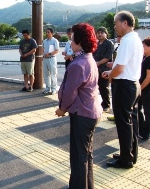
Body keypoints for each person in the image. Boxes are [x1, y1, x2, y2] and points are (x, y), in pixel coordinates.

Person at [55, 23, 102, 189]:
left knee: (78, 157)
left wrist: (61, 108)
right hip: (91, 112)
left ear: (80, 41)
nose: (70, 41)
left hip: (82, 114)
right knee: (86, 154)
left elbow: (69, 92)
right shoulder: (89, 59)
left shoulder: (78, 64)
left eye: (72, 38)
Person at [102, 11, 143, 169]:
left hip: (124, 85)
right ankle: (130, 154)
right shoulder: (135, 39)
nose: (115, 26)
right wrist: (112, 72)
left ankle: (125, 159)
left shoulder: (126, 41)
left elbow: (119, 68)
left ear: (125, 23)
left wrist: (110, 75)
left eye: (116, 23)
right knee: (131, 121)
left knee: (123, 124)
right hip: (133, 84)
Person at [93, 27, 114, 112]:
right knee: (97, 87)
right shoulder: (96, 43)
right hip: (96, 68)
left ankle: (107, 104)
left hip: (105, 68)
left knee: (104, 87)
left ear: (106, 34)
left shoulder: (109, 43)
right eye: (98, 33)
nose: (100, 34)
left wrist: (98, 63)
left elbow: (108, 57)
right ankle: (101, 103)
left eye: (102, 32)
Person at [107, 35, 121, 121]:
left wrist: (111, 75)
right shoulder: (117, 47)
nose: (118, 38)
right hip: (114, 73)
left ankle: (118, 116)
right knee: (115, 99)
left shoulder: (125, 46)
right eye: (117, 37)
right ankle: (115, 114)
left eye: (119, 37)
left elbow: (121, 65)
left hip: (120, 76)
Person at [138, 37, 150, 140]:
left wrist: (140, 88)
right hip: (143, 89)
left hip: (147, 90)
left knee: (148, 112)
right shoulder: (145, 57)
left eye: (144, 46)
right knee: (138, 109)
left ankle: (145, 133)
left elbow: (148, 78)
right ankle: (141, 128)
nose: (142, 48)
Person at [42, 27, 59, 95]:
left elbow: (57, 50)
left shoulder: (55, 41)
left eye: (48, 32)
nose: (47, 33)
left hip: (52, 58)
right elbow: (43, 50)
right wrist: (43, 56)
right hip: (45, 59)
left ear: (52, 33)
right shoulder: (44, 41)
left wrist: (49, 54)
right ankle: (47, 88)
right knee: (46, 74)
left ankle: (54, 89)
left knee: (53, 74)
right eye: (46, 32)